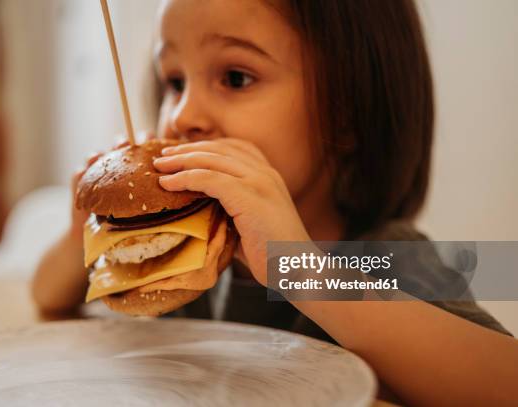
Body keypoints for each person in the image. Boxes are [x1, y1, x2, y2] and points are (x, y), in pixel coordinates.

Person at [33, 0, 518, 405]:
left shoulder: (384, 256)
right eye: (175, 82)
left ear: (344, 114)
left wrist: (303, 273)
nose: (182, 116)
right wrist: (85, 235)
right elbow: (47, 298)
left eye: (236, 77)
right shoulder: (184, 262)